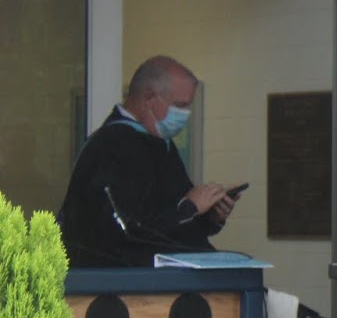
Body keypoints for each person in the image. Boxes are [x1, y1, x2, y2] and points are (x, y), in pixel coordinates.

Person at [57, 56, 238, 267]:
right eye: (179, 106)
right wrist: (188, 208)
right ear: (150, 98)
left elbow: (169, 220)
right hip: (120, 285)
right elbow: (123, 232)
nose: (185, 115)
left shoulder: (160, 145)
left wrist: (209, 215)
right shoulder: (111, 146)